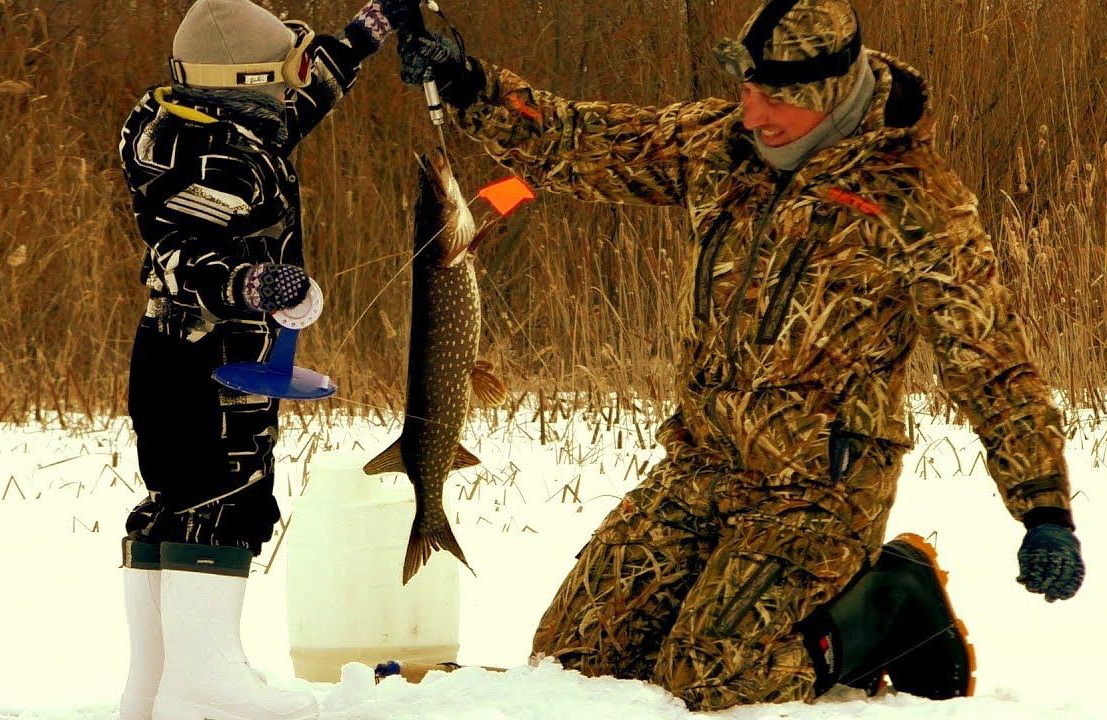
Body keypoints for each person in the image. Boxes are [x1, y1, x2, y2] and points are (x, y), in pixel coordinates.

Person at [395, 0, 1085, 711]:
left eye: (776, 100)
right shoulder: (718, 146)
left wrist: (1043, 511)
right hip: (700, 467)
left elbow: (991, 365)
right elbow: (582, 142)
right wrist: (471, 84)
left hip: (818, 495)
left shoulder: (916, 203)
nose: (752, 115)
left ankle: (888, 608)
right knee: (569, 670)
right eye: (748, 90)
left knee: (707, 681)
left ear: (832, 95)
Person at [115, 1, 419, 719]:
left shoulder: (223, 123)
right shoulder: (199, 157)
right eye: (284, 71)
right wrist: (255, 284)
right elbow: (175, 260)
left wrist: (367, 33)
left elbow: (303, 101)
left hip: (184, 354)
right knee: (225, 499)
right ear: (246, 81)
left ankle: (156, 687)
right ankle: (203, 685)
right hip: (207, 361)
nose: (296, 86)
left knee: (173, 504)